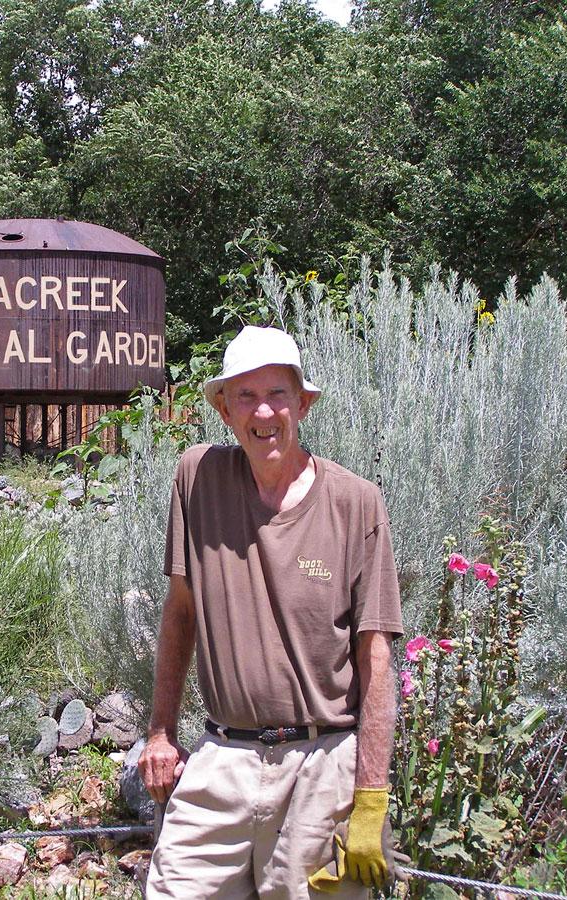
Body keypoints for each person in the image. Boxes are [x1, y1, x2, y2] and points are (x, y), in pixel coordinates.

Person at [139, 325, 404, 899]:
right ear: (225, 411)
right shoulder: (197, 478)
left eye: (278, 394)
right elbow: (180, 611)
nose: (264, 412)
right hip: (223, 756)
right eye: (245, 396)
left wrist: (370, 798)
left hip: (321, 762)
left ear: (303, 403)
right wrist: (160, 732)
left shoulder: (356, 503)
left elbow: (376, 656)